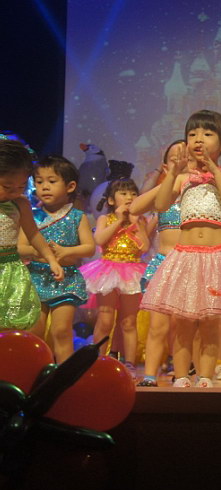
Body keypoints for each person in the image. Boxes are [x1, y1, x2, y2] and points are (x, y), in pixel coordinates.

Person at [140, 109, 221, 388]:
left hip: (217, 258)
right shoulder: (182, 179)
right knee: (182, 322)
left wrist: (213, 170)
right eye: (192, 134)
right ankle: (182, 376)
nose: (198, 139)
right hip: (186, 257)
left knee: (211, 323)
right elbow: (160, 205)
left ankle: (205, 376)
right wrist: (174, 173)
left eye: (207, 134)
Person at [21, 156, 94, 362]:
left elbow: (89, 248)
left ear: (70, 186)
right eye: (39, 182)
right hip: (36, 278)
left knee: (61, 330)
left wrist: (66, 252)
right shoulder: (31, 215)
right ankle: (34, 372)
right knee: (34, 331)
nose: (44, 187)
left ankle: (64, 374)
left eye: (52, 181)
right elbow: (20, 247)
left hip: (65, 280)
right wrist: (42, 253)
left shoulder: (77, 216)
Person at [131, 140, 187, 387]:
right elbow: (136, 207)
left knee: (182, 326)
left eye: (186, 157)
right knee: (158, 325)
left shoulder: (198, 190)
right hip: (164, 264)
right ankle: (150, 375)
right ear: (165, 165)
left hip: (189, 264)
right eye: (175, 158)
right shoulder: (164, 193)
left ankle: (182, 372)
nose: (181, 160)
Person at [80, 178, 149, 375]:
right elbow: (99, 239)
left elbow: (144, 247)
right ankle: (97, 360)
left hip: (132, 272)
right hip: (108, 271)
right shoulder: (105, 219)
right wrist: (119, 220)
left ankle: (130, 363)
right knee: (105, 320)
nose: (129, 197)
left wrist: (136, 225)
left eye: (133, 194)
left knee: (129, 322)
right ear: (111, 200)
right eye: (123, 193)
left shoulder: (140, 221)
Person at [0, 139, 63, 330]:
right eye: (7, 187)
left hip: (10, 271)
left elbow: (33, 234)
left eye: (20, 187)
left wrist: (51, 258)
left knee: (12, 321)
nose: (14, 192)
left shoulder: (20, 204)